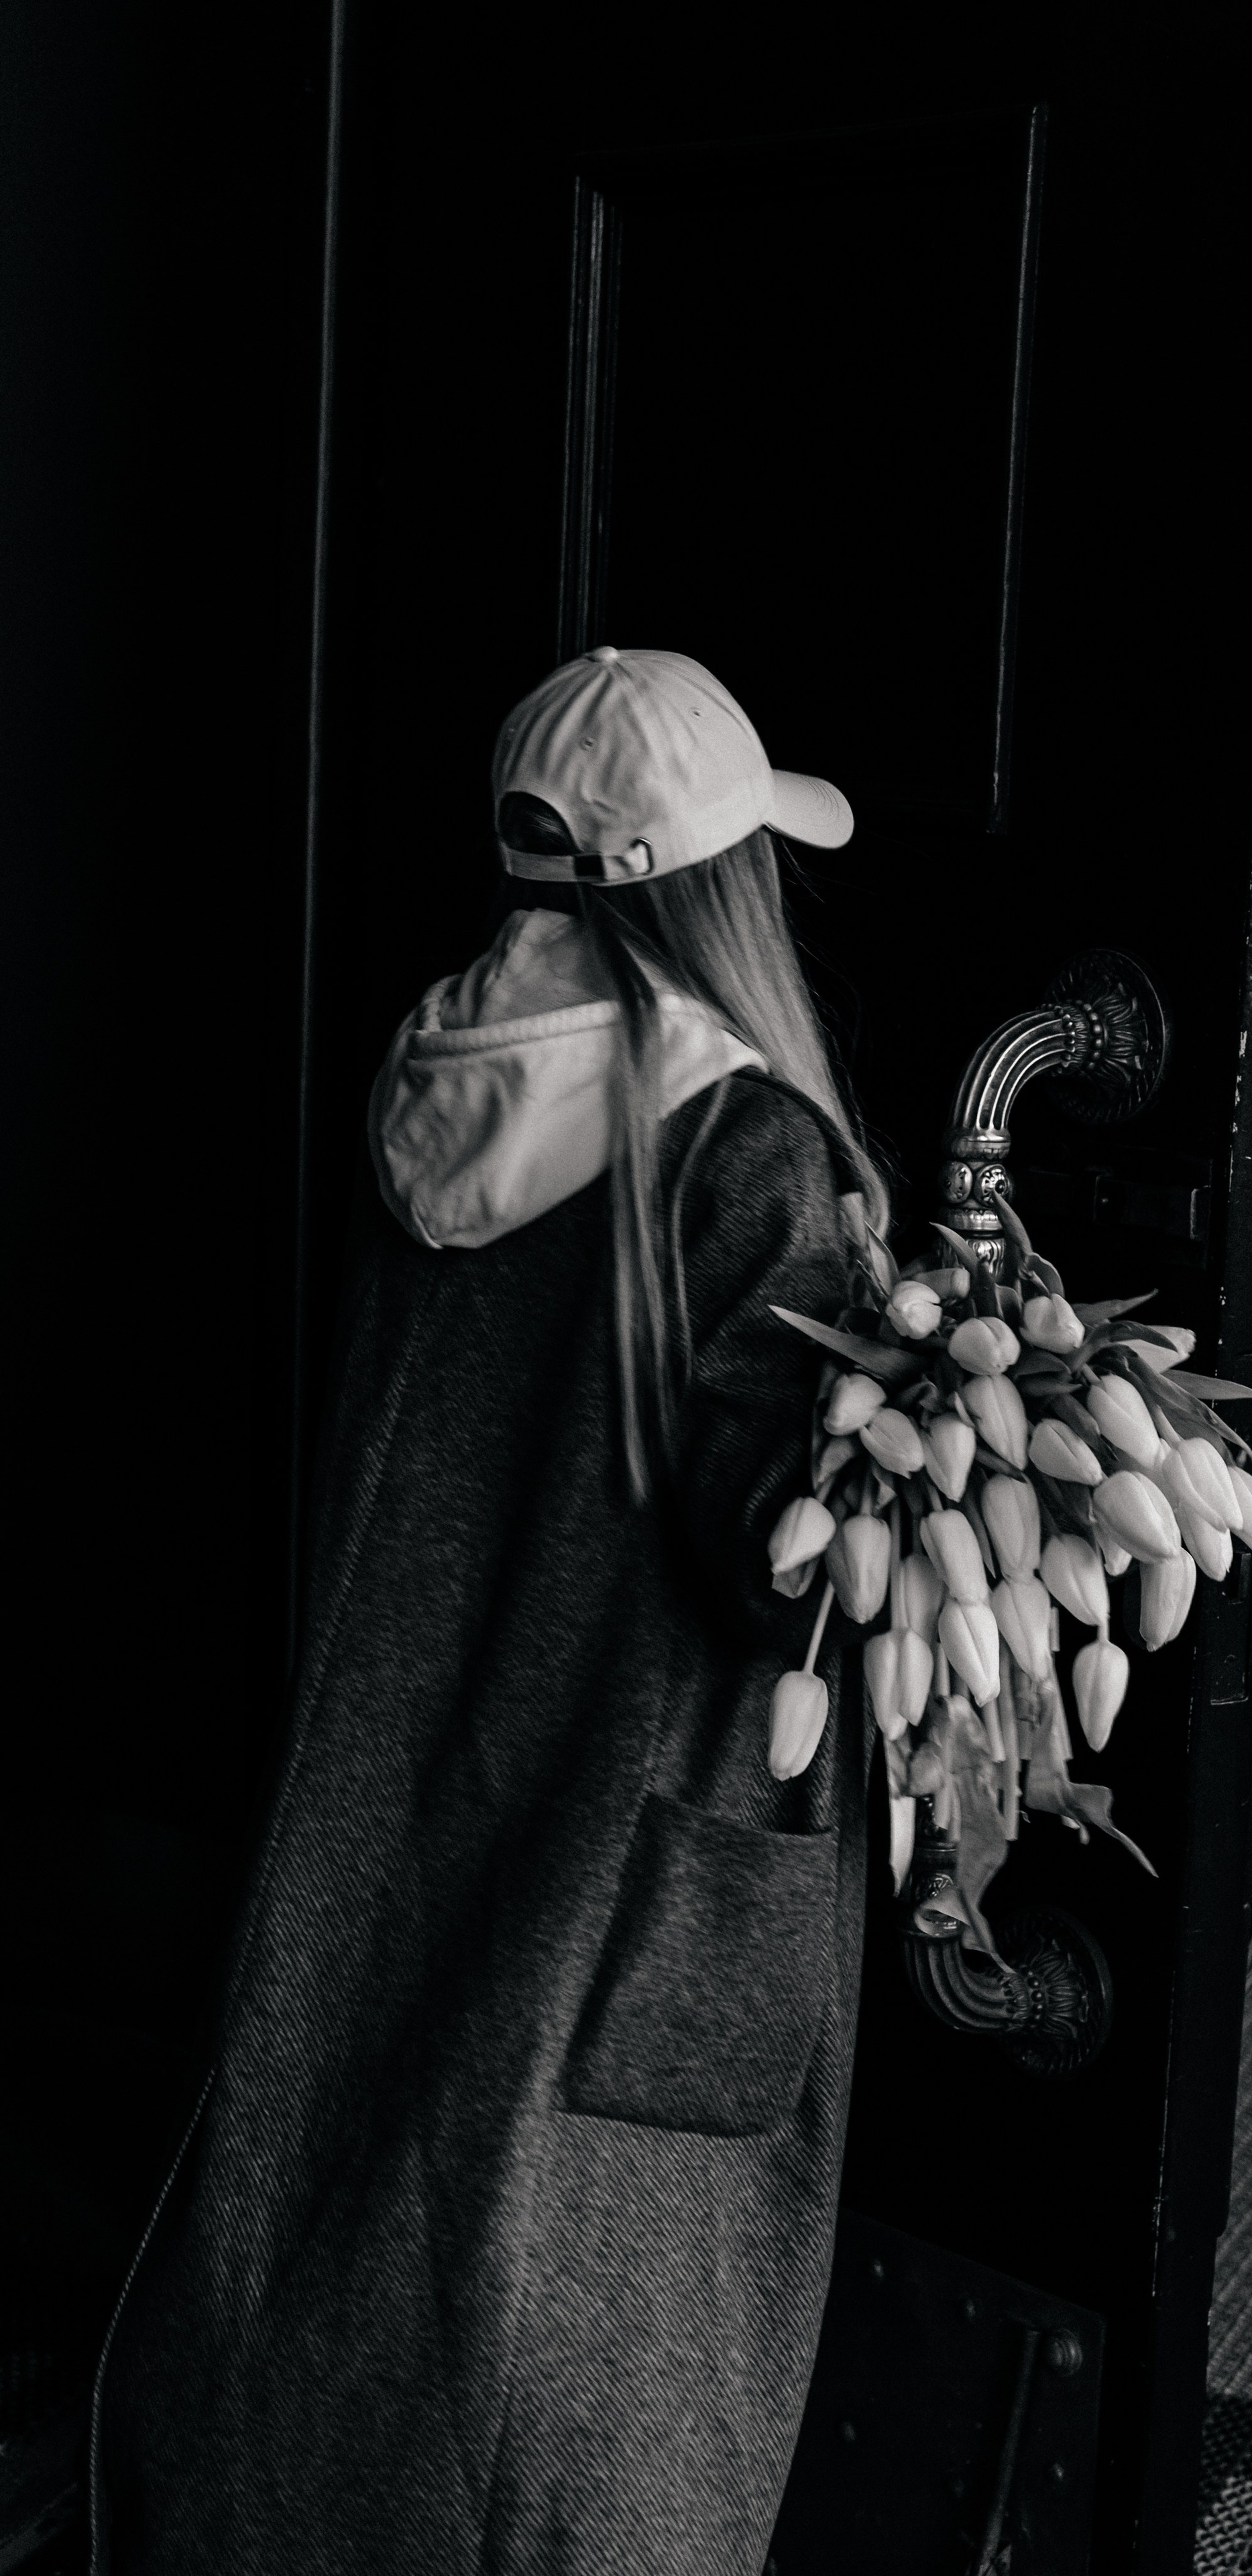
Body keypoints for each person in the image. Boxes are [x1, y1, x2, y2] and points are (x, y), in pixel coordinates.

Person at [96, 648, 887, 2576]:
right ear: (713, 885)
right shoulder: (747, 1153)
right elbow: (779, 1565)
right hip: (629, 1879)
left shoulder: (428, 1093)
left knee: (363, 2344)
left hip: (391, 1819)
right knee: (602, 2431)